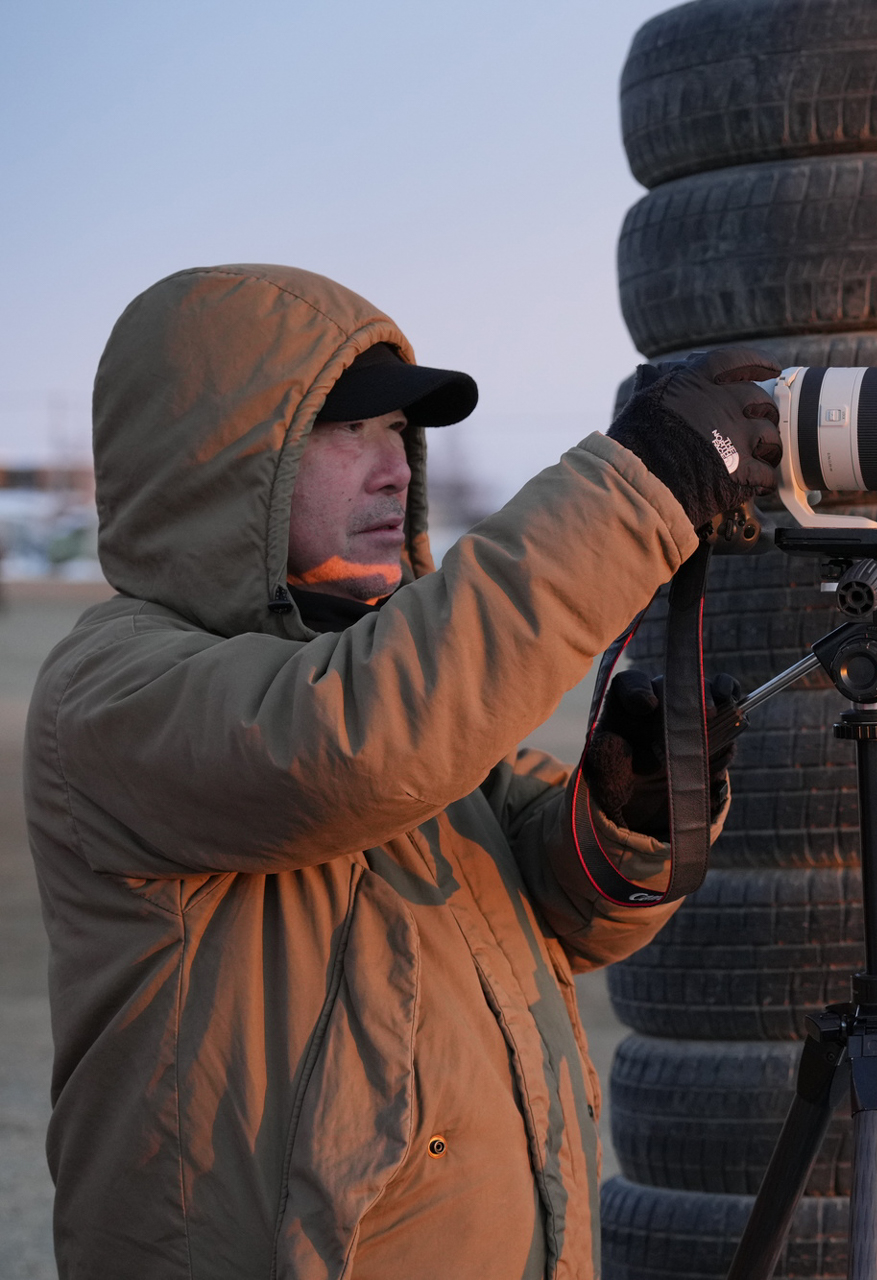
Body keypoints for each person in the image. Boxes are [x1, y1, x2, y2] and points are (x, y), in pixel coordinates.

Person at [25, 263, 782, 1279]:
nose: (393, 470)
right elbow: (347, 747)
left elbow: (575, 904)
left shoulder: (389, 664)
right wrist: (637, 488)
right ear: (218, 462)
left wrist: (627, 800)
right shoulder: (114, 686)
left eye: (399, 436)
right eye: (348, 431)